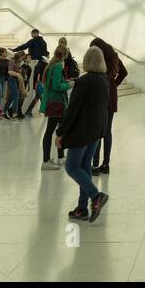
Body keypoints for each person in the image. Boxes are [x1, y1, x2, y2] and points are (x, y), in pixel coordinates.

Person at [56, 46, 110, 223]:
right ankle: (82, 208)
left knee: (72, 167)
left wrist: (61, 132)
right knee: (85, 167)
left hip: (82, 131)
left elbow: (72, 110)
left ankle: (96, 196)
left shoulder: (84, 81)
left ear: (87, 61)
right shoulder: (104, 80)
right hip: (96, 131)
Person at [91, 37, 127, 172]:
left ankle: (94, 165)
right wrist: (114, 85)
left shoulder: (100, 58)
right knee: (107, 131)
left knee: (98, 131)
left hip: (100, 96)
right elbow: (124, 72)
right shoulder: (114, 56)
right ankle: (106, 165)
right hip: (111, 95)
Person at [39, 46, 72, 168]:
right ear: (65, 55)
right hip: (56, 102)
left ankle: (60, 157)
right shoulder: (58, 66)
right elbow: (57, 86)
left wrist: (66, 83)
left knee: (58, 130)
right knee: (51, 131)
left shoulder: (52, 65)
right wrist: (69, 85)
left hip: (54, 102)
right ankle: (46, 161)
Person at [13, 29, 49, 116]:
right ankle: (31, 110)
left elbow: (24, 46)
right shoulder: (44, 42)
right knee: (39, 90)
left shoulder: (33, 41)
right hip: (42, 66)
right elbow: (46, 55)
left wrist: (15, 50)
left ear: (34, 34)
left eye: (31, 34)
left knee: (34, 89)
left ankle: (38, 109)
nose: (31, 36)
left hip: (35, 66)